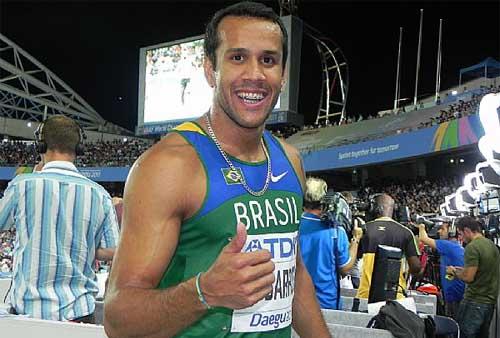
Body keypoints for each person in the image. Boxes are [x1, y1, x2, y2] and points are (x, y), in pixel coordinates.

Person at [104, 2, 330, 338]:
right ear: (210, 69)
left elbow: (293, 275)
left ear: (283, 75)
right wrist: (204, 292)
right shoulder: (169, 166)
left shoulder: (289, 159)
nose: (255, 74)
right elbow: (118, 319)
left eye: (268, 60)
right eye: (237, 57)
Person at [0, 115, 120, 323]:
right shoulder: (100, 194)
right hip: (79, 315)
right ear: (78, 148)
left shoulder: (22, 185)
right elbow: (112, 250)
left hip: (27, 316)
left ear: (41, 145)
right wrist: (78, 241)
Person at [299, 177, 363, 309]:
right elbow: (345, 268)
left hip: (295, 301)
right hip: (325, 303)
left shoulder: (291, 226)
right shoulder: (335, 231)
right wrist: (356, 239)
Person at [356, 193, 421, 299]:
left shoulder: (362, 229)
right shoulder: (406, 232)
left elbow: (352, 261)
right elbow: (416, 267)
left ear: (375, 208)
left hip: (366, 294)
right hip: (396, 295)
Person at [447, 216, 500, 338]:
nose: (461, 238)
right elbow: (481, 271)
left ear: (467, 230)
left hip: (474, 301)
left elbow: (469, 277)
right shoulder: (492, 246)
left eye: (460, 234)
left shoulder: (472, 247)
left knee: (464, 334)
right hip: (489, 302)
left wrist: (454, 272)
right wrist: (462, 271)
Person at [417, 220, 464, 319]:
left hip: (453, 295)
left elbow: (423, 238)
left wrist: (421, 226)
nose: (439, 232)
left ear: (452, 231)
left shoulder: (448, 245)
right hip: (456, 293)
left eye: (443, 229)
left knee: (453, 324)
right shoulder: (455, 246)